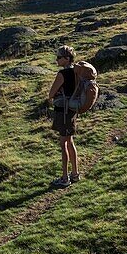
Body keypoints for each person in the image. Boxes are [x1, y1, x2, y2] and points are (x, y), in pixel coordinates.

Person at [48, 45, 80, 187]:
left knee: (64, 144)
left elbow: (51, 93)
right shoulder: (77, 72)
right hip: (73, 109)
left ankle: (65, 178)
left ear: (67, 59)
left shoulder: (62, 74)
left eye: (59, 57)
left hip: (63, 111)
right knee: (70, 141)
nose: (57, 60)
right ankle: (75, 174)